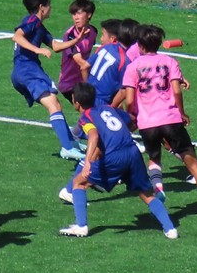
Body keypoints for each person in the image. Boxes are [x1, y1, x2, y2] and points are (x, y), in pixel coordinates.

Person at [119, 24, 197, 224]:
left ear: (140, 45)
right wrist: (181, 112)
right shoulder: (170, 61)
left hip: (147, 123)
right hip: (171, 119)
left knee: (154, 159)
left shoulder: (132, 67)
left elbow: (129, 100)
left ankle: (159, 190)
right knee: (193, 163)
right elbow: (177, 91)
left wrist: (133, 115)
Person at [58, 83, 177, 239]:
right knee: (146, 194)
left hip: (114, 156)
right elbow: (132, 119)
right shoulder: (108, 108)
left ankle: (81, 226)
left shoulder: (86, 117)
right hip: (133, 152)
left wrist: (87, 162)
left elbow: (94, 135)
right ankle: (170, 229)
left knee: (78, 182)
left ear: (76, 103)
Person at [11, 0, 85, 161]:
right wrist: (37, 50)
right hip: (28, 71)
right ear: (41, 8)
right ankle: (67, 147)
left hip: (25, 72)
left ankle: (71, 143)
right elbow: (17, 36)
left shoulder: (39, 26)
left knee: (55, 103)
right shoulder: (31, 21)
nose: (51, 7)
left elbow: (55, 46)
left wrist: (76, 40)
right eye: (49, 4)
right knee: (54, 104)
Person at [52, 0, 96, 107]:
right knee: (89, 109)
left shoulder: (93, 31)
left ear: (89, 14)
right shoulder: (70, 36)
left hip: (83, 79)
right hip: (69, 84)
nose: (76, 18)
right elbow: (80, 62)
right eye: (74, 14)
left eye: (79, 13)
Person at [85, 17, 129, 110]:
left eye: (103, 35)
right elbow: (123, 90)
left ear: (113, 39)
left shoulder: (103, 48)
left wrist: (86, 86)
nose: (101, 39)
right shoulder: (123, 59)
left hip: (89, 95)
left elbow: (84, 67)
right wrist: (112, 107)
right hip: (103, 102)